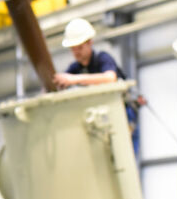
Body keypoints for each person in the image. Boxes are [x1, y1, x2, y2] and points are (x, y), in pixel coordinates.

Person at [53, 17, 144, 155]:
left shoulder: (103, 59)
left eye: (79, 47)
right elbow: (60, 84)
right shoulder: (75, 68)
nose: (76, 52)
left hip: (124, 115)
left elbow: (109, 78)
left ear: (90, 42)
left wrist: (74, 80)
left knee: (125, 157)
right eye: (73, 49)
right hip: (102, 121)